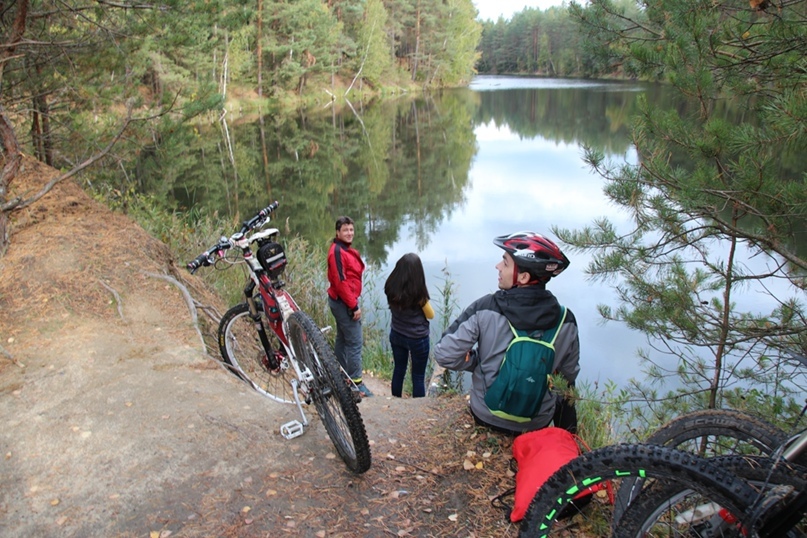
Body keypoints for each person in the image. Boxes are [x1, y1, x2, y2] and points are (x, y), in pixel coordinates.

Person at [433, 231, 579, 436]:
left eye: (505, 263)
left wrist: (476, 362)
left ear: (524, 276)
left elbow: (444, 354)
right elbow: (568, 379)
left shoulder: (486, 308)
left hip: (486, 415)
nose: (498, 267)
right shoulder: (566, 320)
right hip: (536, 422)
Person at [327, 216, 373, 397]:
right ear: (338, 232)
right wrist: (354, 306)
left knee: (342, 338)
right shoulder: (336, 252)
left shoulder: (344, 249)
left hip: (343, 300)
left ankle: (340, 374)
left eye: (351, 229)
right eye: (345, 230)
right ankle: (356, 384)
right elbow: (340, 281)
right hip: (344, 302)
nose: (349, 233)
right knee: (354, 342)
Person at [384, 253, 434, 398]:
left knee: (399, 369)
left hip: (397, 334)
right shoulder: (419, 295)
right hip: (418, 339)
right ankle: (418, 408)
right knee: (418, 376)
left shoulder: (391, 289)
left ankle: (395, 400)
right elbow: (430, 315)